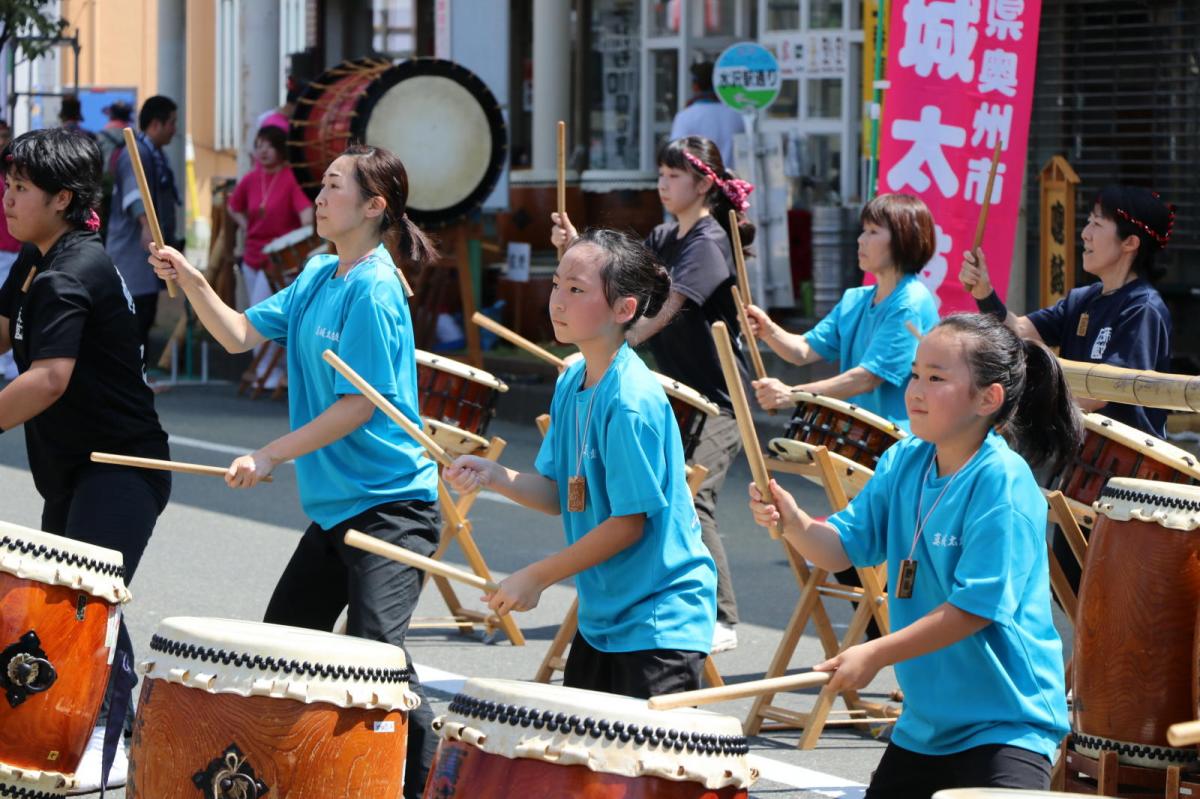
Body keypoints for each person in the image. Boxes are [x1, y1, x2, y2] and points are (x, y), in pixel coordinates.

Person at [148, 144, 440, 799]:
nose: (320, 196)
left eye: (335, 187)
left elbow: (360, 403)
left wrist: (272, 452)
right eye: (323, 185)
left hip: (392, 507)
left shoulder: (375, 287)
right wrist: (192, 278)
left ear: (374, 206)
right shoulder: (317, 272)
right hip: (338, 507)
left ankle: (427, 778)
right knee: (285, 646)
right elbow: (237, 336)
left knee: (377, 662)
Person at [749, 313, 1078, 797]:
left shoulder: (1002, 484)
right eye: (915, 374)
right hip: (926, 726)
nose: (916, 390)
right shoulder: (904, 460)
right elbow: (841, 548)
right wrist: (795, 521)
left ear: (989, 398)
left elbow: (975, 609)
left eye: (937, 378)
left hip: (1006, 724)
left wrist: (876, 652)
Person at [444, 229, 717, 698]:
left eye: (576, 290)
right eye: (556, 284)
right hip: (604, 616)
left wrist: (538, 575)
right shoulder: (572, 381)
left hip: (657, 619)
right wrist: (494, 476)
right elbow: (559, 493)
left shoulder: (630, 400)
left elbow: (628, 524)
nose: (557, 301)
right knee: (583, 762)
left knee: (639, 769)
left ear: (624, 309)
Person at [0, 127, 172, 791]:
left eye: (20, 188)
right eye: (8, 185)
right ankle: (93, 729)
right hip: (75, 465)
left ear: (63, 197)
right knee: (72, 608)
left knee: (87, 607)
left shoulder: (75, 267)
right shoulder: (37, 257)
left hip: (123, 464)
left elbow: (49, 377)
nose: (8, 199)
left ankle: (103, 745)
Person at [552, 135, 753, 653]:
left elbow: (662, 308)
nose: (662, 185)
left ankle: (721, 614)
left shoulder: (708, 241)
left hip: (720, 396)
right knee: (670, 491)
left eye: (673, 177)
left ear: (705, 183)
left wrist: (610, 342)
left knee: (694, 495)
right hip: (680, 391)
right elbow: (621, 276)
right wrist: (578, 249)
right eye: (660, 176)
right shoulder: (665, 234)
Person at [960, 185, 1173, 439]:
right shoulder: (1083, 300)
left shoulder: (1142, 308)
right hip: (1078, 449)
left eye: (1097, 224)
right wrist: (984, 292)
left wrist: (1018, 396)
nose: (1085, 234)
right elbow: (1018, 331)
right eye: (1088, 222)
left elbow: (1102, 393)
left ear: (1130, 242)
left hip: (1126, 461)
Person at [745, 193, 940, 428]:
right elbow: (803, 351)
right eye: (863, 230)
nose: (861, 240)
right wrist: (768, 330)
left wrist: (792, 394)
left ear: (903, 239)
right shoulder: (855, 300)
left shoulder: (910, 303)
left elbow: (867, 377)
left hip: (898, 443)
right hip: (858, 435)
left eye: (873, 232)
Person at [226, 124, 313, 388]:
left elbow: (307, 218)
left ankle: (274, 373)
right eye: (259, 144)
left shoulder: (290, 177)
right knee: (255, 313)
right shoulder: (252, 178)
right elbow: (233, 206)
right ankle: (265, 372)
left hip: (278, 261)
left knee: (267, 315)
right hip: (253, 255)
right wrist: (245, 226)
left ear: (281, 148)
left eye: (269, 145)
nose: (262, 150)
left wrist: (299, 239)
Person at [106, 95, 180, 363]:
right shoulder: (134, 153)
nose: (175, 129)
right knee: (135, 313)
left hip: (146, 249)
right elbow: (134, 195)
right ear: (156, 124)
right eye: (172, 122)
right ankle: (132, 377)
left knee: (145, 311)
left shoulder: (153, 153)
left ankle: (138, 376)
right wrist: (147, 228)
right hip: (132, 249)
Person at [670, 62, 746, 169]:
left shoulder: (685, 116)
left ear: (695, 86)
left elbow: (675, 155)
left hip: (700, 182)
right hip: (733, 181)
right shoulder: (737, 114)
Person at [0, 118, 19, 380]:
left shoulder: (13, 169)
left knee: (11, 308)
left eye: (5, 135)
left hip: (16, 248)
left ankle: (11, 364)